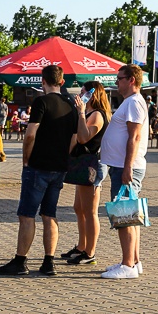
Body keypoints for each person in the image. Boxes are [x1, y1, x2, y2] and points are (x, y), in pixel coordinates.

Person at [0, 65, 77, 277]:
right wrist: (64, 157)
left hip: (38, 165)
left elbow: (30, 134)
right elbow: (74, 138)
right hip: (59, 167)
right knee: (50, 214)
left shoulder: (41, 102)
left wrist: (26, 160)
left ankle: (21, 261)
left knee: (27, 215)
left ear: (43, 80)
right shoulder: (70, 104)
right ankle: (49, 262)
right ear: (62, 81)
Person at [99, 64, 149, 279]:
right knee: (129, 214)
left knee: (124, 215)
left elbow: (135, 137)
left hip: (126, 167)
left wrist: (127, 166)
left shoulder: (134, 102)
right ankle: (133, 260)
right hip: (121, 166)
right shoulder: (130, 103)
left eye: (119, 78)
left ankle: (128, 265)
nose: (116, 82)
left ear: (131, 80)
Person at [61, 81, 111, 266]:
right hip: (81, 162)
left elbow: (83, 137)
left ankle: (90, 252)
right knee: (78, 207)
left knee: (90, 211)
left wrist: (81, 112)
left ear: (93, 94)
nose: (80, 96)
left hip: (92, 164)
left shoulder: (97, 115)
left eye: (84, 93)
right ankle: (82, 246)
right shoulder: (87, 113)